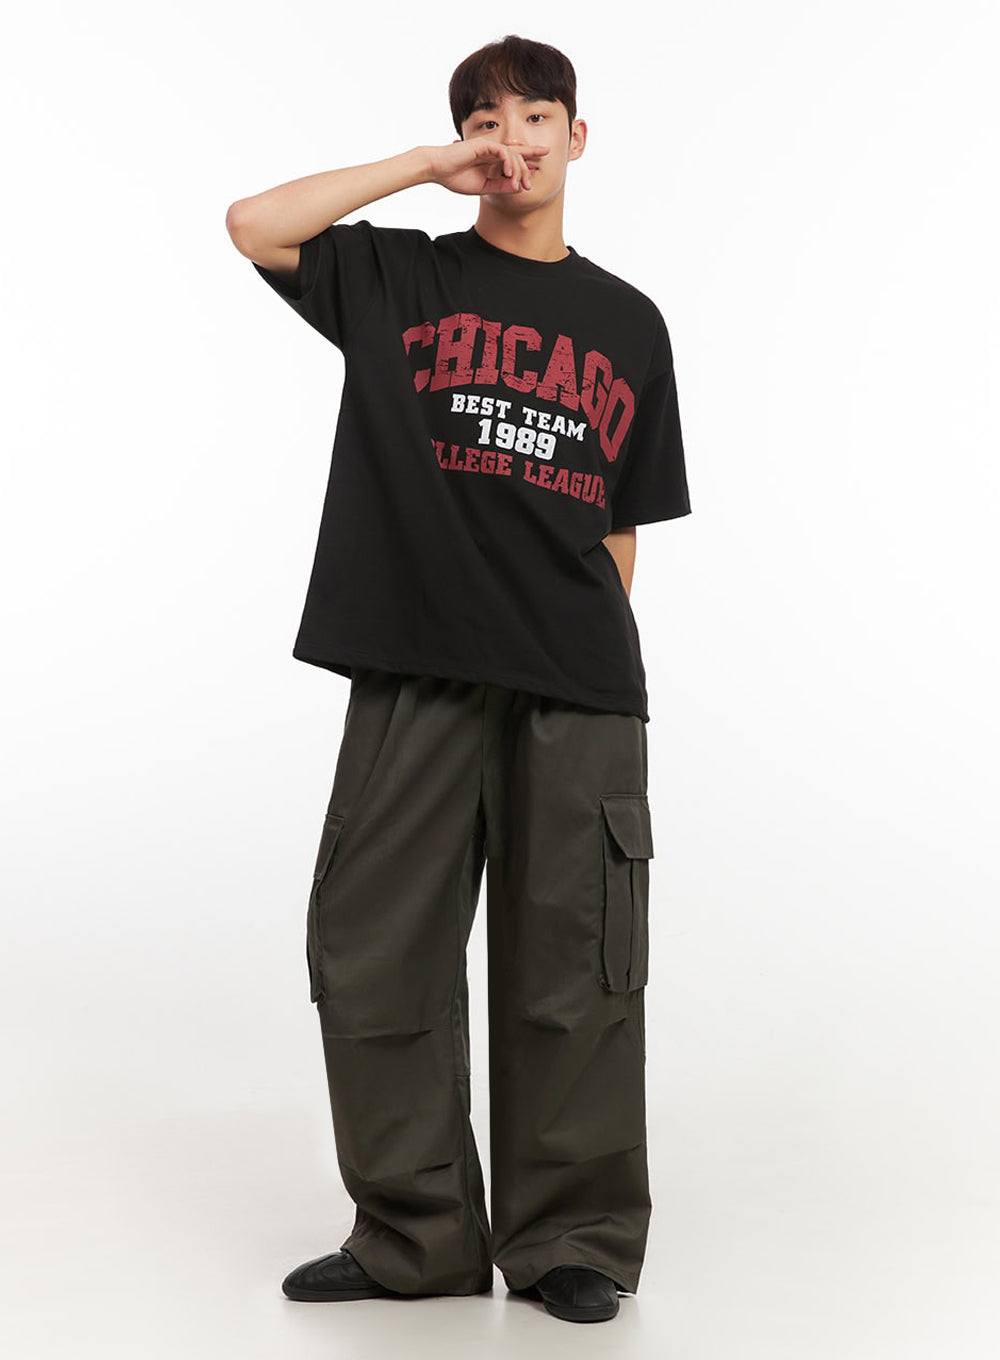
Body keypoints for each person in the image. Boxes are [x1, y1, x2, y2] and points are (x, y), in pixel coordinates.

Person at [226, 32, 691, 1326]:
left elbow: (621, 525)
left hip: (575, 685)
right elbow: (254, 224)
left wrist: (569, 647)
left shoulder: (630, 324)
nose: (512, 141)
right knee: (374, 950)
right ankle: (414, 1236)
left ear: (576, 138)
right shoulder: (400, 278)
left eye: (535, 117)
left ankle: (571, 1238)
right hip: (415, 671)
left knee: (578, 965)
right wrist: (422, 166)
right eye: (486, 121)